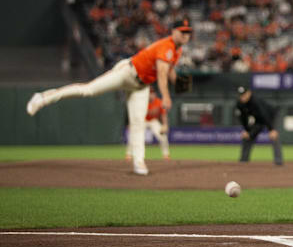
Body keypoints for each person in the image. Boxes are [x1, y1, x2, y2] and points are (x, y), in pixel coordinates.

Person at [26, 19, 193, 175]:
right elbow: (162, 74)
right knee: (88, 90)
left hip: (141, 86)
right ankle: (42, 98)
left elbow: (169, 71)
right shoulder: (167, 46)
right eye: (182, 31)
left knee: (137, 122)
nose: (186, 35)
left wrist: (179, 83)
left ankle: (139, 162)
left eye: (188, 32)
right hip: (127, 73)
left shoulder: (176, 51)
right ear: (173, 31)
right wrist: (166, 96)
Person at [234, 86, 283, 166]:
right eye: (241, 95)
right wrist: (247, 130)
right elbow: (243, 118)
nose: (242, 97)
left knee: (274, 136)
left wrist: (271, 129)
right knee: (247, 136)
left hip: (271, 117)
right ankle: (243, 160)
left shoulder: (255, 101)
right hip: (258, 120)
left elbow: (264, 115)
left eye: (244, 94)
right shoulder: (240, 104)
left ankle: (278, 161)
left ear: (249, 93)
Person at [125, 87, 171, 161]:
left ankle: (166, 155)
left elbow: (163, 115)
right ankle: (129, 154)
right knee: (134, 135)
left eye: (152, 93)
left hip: (153, 121)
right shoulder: (142, 102)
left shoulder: (159, 102)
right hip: (143, 121)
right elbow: (135, 114)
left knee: (163, 136)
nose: (151, 95)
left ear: (155, 94)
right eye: (149, 93)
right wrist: (132, 124)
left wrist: (165, 125)